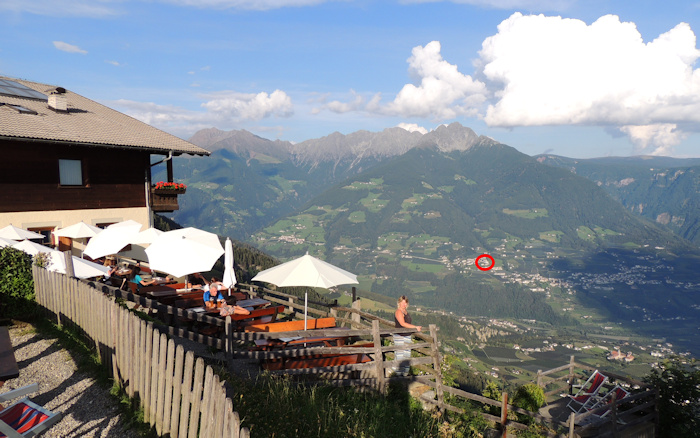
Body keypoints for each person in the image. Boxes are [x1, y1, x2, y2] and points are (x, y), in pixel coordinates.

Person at [393, 295, 422, 376]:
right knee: (399, 354)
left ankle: (404, 373)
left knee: (406, 354)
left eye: (405, 303)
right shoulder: (399, 311)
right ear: (399, 303)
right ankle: (397, 374)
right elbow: (402, 323)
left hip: (407, 335)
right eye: (402, 303)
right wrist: (415, 327)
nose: (404, 304)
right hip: (400, 335)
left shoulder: (405, 312)